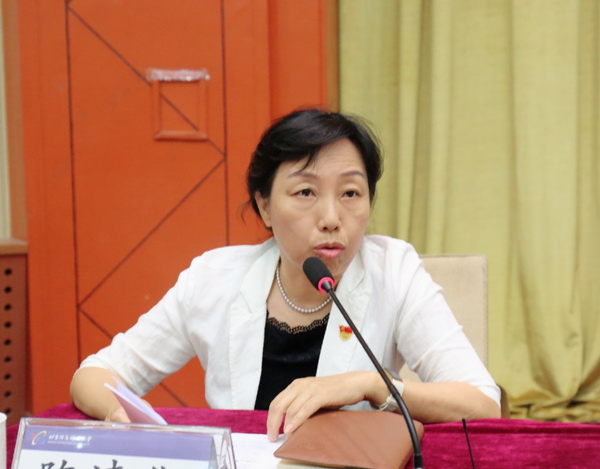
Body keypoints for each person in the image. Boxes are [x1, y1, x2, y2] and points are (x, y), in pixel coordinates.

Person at [70, 108, 501, 441]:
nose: (331, 218)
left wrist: (371, 385)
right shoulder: (214, 279)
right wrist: (118, 417)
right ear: (264, 206)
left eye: (351, 193)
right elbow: (94, 375)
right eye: (306, 192)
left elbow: (482, 404)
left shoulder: (394, 271)